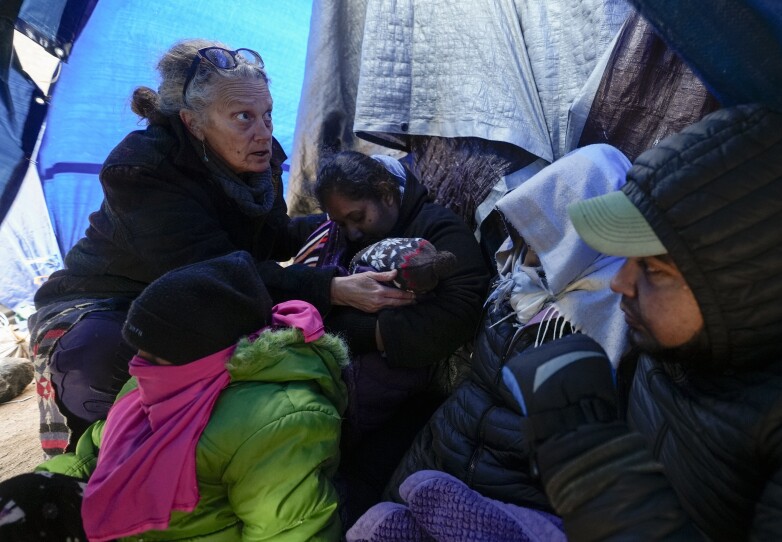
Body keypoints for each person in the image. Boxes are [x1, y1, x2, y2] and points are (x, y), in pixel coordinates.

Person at [502, 104, 782, 539]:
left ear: (744, 287)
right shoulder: (685, 341)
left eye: (654, 269)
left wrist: (589, 461)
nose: (620, 281)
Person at [27, 39, 412, 456]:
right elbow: (214, 270)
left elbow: (270, 238)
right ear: (193, 123)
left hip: (191, 296)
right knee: (105, 360)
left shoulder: (258, 164)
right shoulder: (143, 169)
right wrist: (332, 287)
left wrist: (339, 218)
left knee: (243, 350)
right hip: (105, 301)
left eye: (267, 115)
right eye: (243, 117)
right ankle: (112, 462)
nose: (263, 133)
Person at [8, 251, 349, 541]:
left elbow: (291, 531)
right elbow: (98, 451)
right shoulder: (158, 380)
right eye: (139, 353)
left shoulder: (277, 420)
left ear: (202, 356)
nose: (138, 368)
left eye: (154, 357)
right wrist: (45, 484)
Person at [383, 144, 631, 512]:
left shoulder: (606, 321)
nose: (523, 239)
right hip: (442, 446)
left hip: (504, 492)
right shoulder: (522, 280)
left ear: (576, 230)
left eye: (544, 224)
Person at [299, 150, 491, 523]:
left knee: (366, 473)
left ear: (387, 192)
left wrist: (355, 328)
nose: (351, 232)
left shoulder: (439, 230)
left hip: (421, 393)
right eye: (340, 222)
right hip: (353, 378)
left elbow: (457, 317)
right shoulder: (341, 238)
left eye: (357, 217)